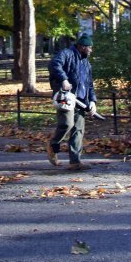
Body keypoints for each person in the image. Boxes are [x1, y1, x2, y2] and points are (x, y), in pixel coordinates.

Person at [47, 32, 97, 171]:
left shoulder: (86, 63)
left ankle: (75, 161)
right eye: (89, 48)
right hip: (67, 98)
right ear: (82, 47)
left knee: (78, 130)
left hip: (81, 101)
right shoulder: (67, 54)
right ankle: (53, 144)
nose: (91, 50)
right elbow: (54, 64)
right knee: (67, 124)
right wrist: (63, 79)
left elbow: (89, 84)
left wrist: (92, 101)